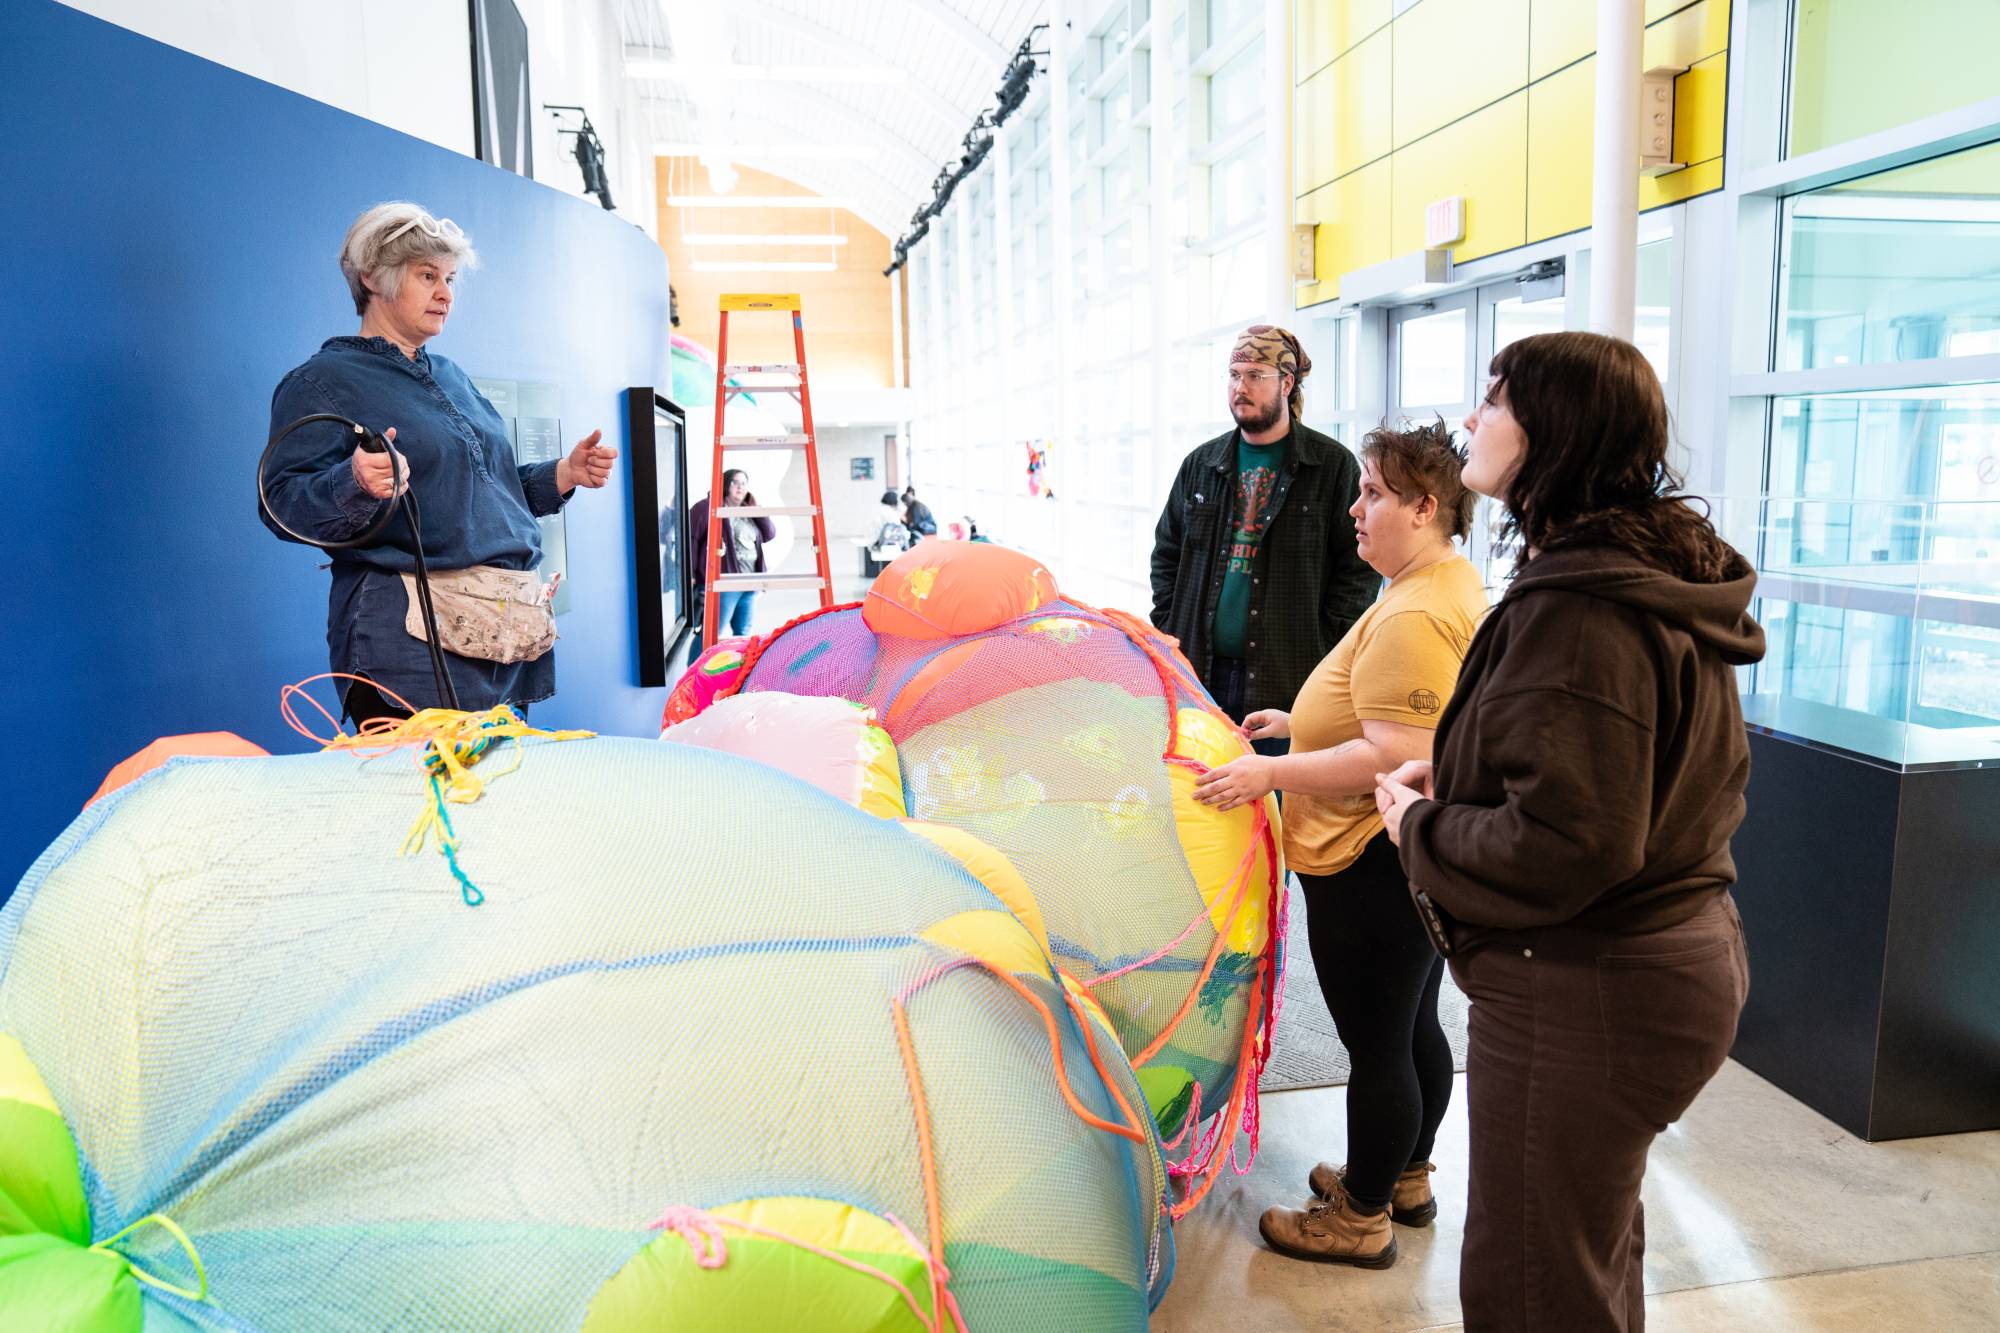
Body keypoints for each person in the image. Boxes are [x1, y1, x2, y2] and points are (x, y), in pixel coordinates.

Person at [1375, 332, 1763, 1331]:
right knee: (1576, 1256)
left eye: (1492, 400)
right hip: (1655, 967)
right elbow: (1610, 772)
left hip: (1588, 985)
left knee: (1530, 1287)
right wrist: (1458, 778)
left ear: (1553, 432)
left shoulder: (1583, 609)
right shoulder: (1632, 574)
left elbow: (1567, 844)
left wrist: (1418, 823)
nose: (1469, 418)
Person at [1192, 422, 1484, 1270]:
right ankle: (1401, 1177)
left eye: (1375, 494)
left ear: (1426, 506)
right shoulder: (1439, 581)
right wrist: (1299, 725)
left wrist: (1269, 775)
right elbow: (1394, 720)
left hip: (1369, 857)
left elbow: (1394, 751)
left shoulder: (1420, 611)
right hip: (1395, 851)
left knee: (1378, 1042)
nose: (1355, 509)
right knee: (1411, 1021)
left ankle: (1358, 1218)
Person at [261, 201, 617, 725]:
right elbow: (280, 505)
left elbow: (486, 492)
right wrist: (354, 482)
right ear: (372, 278)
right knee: (424, 805)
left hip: (498, 636)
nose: (446, 294)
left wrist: (562, 474)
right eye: (427, 276)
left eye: (450, 278)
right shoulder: (321, 381)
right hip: (407, 650)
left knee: (496, 802)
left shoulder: (451, 375)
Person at [1151, 325, 1378, 757]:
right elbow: (1166, 555)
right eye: (1235, 375)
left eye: (1255, 375)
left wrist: (1325, 647)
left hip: (1289, 682)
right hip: (1198, 674)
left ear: (1286, 383)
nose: (1241, 387)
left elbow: (1359, 570)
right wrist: (1171, 630)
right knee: (1203, 798)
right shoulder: (1200, 465)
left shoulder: (1331, 468)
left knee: (1278, 806)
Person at [688, 469, 775, 657]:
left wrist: (755, 507)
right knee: (711, 633)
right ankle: (693, 673)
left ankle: (738, 675)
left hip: (751, 584)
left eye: (744, 483)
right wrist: (691, 574)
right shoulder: (707, 508)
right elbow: (691, 540)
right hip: (725, 584)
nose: (740, 487)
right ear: (725, 484)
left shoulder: (748, 509)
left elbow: (769, 534)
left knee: (743, 634)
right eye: (735, 482)